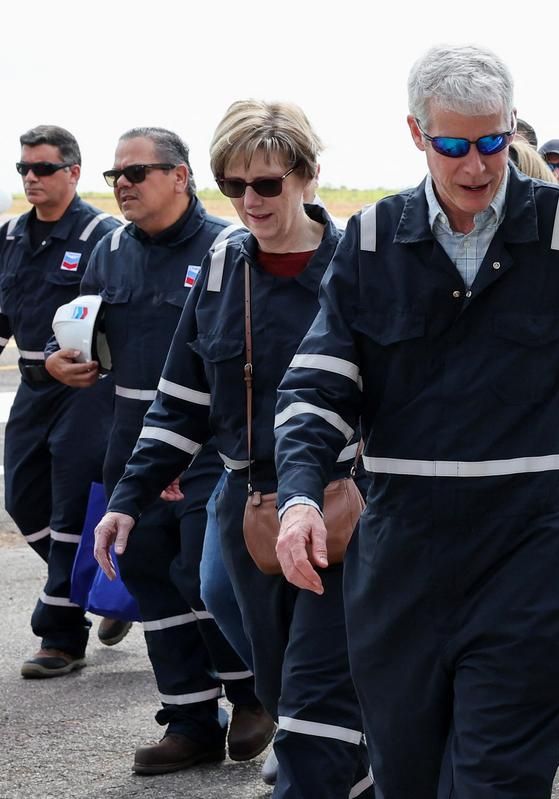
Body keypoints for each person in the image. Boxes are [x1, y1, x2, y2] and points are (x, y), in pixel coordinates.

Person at [270, 45, 559, 798]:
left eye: (493, 140)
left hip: (523, 557)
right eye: (453, 145)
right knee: (408, 778)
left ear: (511, 125)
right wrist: (298, 497)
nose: (478, 164)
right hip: (400, 562)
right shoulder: (371, 238)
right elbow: (317, 387)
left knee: (499, 780)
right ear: (416, 134)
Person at [92, 100, 374, 798]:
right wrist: (128, 498)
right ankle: (330, 739)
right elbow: (182, 396)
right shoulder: (223, 265)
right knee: (234, 615)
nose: (250, 201)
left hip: (342, 499)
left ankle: (324, 747)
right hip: (245, 499)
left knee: (314, 677)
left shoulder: (359, 267)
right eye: (234, 185)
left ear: (307, 176)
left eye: (267, 183)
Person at [46, 127, 271, 774]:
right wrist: (61, 362)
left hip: (208, 447)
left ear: (180, 176)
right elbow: (81, 328)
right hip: (131, 441)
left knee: (203, 573)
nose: (123, 185)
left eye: (137, 172)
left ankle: (251, 695)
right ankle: (190, 721)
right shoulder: (110, 250)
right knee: (147, 575)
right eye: (115, 175)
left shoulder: (229, 249)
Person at [0, 125, 120, 678]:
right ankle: (116, 579)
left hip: (87, 388)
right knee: (23, 499)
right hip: (35, 382)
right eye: (24, 168)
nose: (32, 177)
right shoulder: (9, 237)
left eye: (44, 168)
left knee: (71, 504)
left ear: (73, 172)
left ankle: (61, 635)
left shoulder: (103, 236)